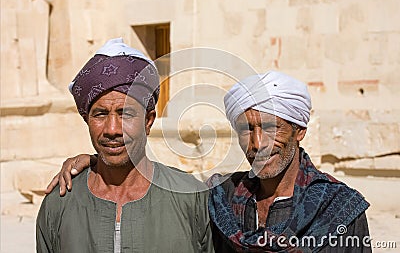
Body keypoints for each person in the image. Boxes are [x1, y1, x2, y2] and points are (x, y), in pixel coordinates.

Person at [46, 71, 371, 252]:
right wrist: (96, 161)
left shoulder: (340, 209)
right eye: (247, 130)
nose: (258, 144)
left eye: (272, 129)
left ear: (299, 131)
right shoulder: (222, 197)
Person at [36, 38, 214, 253]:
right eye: (100, 114)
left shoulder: (191, 197)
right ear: (87, 120)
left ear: (148, 121)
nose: (112, 129)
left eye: (126, 114)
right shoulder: (59, 204)